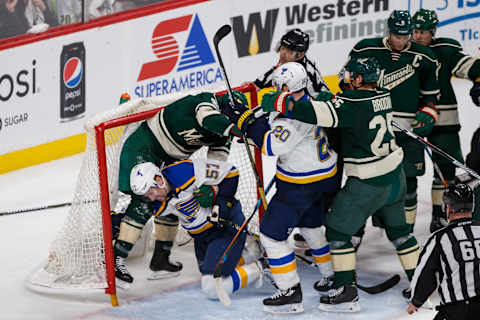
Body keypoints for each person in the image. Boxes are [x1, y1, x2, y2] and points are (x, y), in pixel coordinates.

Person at [243, 57, 421, 312]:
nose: (346, 78)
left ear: (359, 80)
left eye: (352, 76)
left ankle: (346, 293)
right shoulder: (382, 94)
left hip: (369, 182)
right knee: (401, 232)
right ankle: (419, 282)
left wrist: (278, 102)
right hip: (396, 176)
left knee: (337, 231)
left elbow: (309, 112)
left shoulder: (348, 105)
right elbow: (330, 106)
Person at [222, 62, 338, 314]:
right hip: (322, 178)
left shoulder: (293, 116)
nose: (274, 88)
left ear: (287, 86)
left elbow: (271, 145)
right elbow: (271, 118)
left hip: (300, 184)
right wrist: (249, 116)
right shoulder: (308, 102)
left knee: (271, 234)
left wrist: (244, 120)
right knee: (311, 225)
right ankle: (332, 276)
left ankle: (290, 292)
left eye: (278, 85)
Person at [112, 90, 248, 283]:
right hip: (145, 147)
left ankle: (161, 259)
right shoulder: (207, 103)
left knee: (169, 202)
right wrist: (235, 128)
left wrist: (213, 189)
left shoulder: (224, 130)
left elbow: (218, 164)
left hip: (170, 159)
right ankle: (117, 259)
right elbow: (209, 120)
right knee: (144, 202)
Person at [347, 10, 440, 234]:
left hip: (407, 131)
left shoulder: (425, 57)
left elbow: (431, 96)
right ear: (388, 31)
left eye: (405, 36)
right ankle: (359, 231)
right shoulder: (365, 48)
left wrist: (427, 114)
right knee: (368, 180)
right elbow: (346, 81)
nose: (401, 41)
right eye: (397, 36)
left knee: (409, 181)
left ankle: (404, 231)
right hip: (372, 128)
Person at [122, 159, 265, 300]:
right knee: (206, 271)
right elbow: (131, 216)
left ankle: (260, 267)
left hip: (225, 227)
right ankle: (252, 251)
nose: (151, 199)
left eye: (150, 192)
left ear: (159, 180)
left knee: (211, 287)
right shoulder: (154, 201)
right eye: (147, 196)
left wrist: (220, 203)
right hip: (203, 237)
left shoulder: (186, 172)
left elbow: (231, 173)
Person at [411, 9, 480, 232]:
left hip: (444, 120)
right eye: (416, 31)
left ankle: (440, 214)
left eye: (424, 32)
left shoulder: (445, 50)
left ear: (433, 32)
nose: (418, 36)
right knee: (407, 172)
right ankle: (399, 221)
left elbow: (470, 67)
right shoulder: (402, 52)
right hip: (410, 122)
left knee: (446, 171)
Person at [407, 183, 480, 319]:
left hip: (458, 310)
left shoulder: (439, 238)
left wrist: (416, 301)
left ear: (448, 208)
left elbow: (425, 274)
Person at [249, 28, 330, 99]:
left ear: (301, 54)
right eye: (283, 48)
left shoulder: (307, 72)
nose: (283, 54)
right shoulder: (289, 62)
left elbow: (322, 99)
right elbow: (275, 73)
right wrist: (257, 84)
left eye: (289, 51)